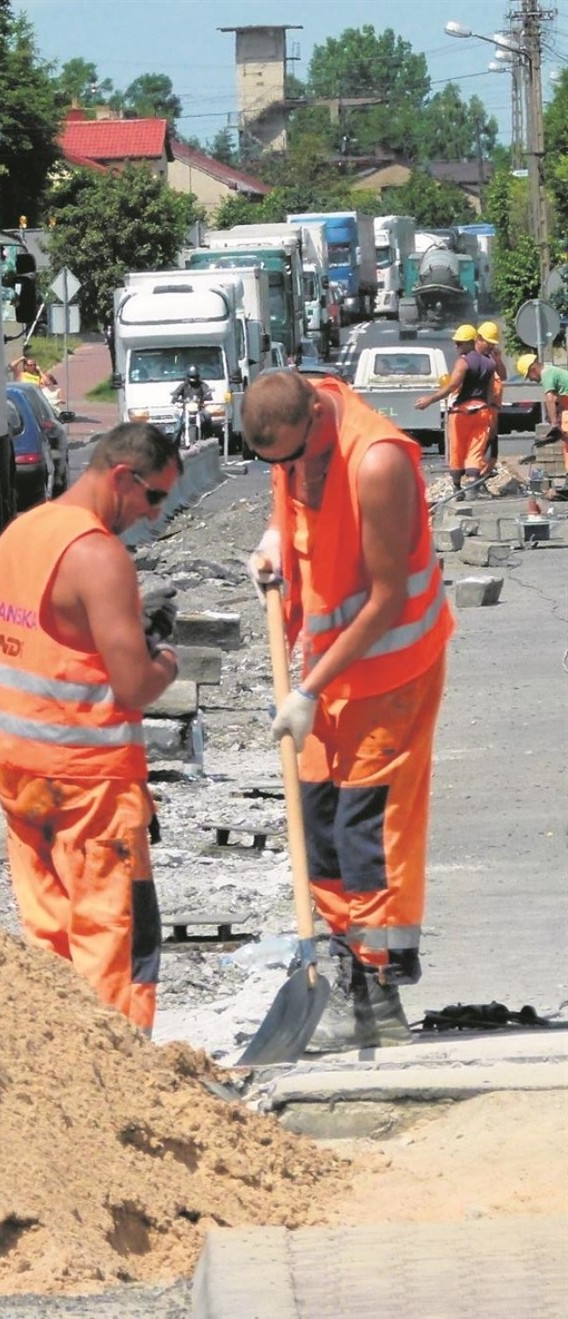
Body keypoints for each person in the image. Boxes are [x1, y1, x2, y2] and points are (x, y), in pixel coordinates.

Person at [244, 370, 454, 1049]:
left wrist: (306, 691)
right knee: (318, 818)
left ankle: (381, 987)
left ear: (316, 414)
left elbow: (387, 596)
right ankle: (345, 966)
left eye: (296, 456)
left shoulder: (379, 461)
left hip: (392, 664)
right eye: (277, 464)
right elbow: (301, 510)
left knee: (367, 823)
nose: (292, 470)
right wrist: (276, 540)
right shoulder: (296, 441)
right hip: (330, 670)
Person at [0, 422, 183, 1038]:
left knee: (49, 931)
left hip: (20, 772)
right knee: (114, 937)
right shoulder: (98, 554)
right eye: (153, 497)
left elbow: (55, 640)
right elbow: (133, 686)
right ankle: (120, 1079)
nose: (152, 515)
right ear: (120, 477)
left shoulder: (25, 530)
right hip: (89, 783)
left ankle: (64, 1068)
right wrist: (165, 656)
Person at [415, 324, 496, 500]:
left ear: (470, 342)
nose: (456, 347)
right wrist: (491, 414)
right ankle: (473, 485)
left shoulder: (464, 362)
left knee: (457, 450)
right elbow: (490, 393)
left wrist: (430, 400)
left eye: (459, 343)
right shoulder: (490, 363)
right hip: (482, 411)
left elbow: (452, 386)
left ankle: (457, 488)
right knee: (475, 451)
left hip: (460, 413)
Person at [517, 354, 568, 481]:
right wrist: (557, 415)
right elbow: (562, 398)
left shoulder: (547, 373)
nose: (531, 380)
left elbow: (549, 399)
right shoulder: (553, 372)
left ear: (533, 369)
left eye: (529, 376)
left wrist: (555, 424)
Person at [475, 321, 507, 476]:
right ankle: (475, 481)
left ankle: (481, 478)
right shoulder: (474, 361)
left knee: (492, 454)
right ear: (479, 339)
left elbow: (503, 375)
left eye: (493, 344)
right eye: (489, 343)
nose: (491, 347)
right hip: (483, 411)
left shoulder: (491, 359)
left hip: (493, 410)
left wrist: (498, 359)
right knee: (482, 449)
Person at [171, 364, 212, 443]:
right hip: (186, 410)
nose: (193, 379)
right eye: (191, 377)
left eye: (195, 377)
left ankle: (209, 437)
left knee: (207, 417)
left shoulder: (202, 385)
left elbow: (208, 393)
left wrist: (206, 397)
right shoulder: (183, 385)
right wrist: (175, 399)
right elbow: (176, 393)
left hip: (199, 409)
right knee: (178, 427)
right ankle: (173, 445)